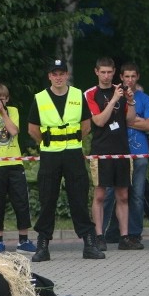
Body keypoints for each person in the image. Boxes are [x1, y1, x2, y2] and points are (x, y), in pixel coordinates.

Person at [28, 58, 102, 262]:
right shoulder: (40, 98)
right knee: (47, 199)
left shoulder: (78, 95)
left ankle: (89, 243)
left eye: (62, 73)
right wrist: (50, 140)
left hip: (73, 152)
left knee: (78, 197)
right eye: (55, 74)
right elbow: (32, 129)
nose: (58, 77)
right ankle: (43, 246)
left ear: (66, 75)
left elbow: (86, 125)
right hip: (50, 153)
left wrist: (71, 139)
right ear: (49, 76)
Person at [84, 57, 140, 252]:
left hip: (122, 150)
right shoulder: (91, 94)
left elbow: (130, 121)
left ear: (114, 72)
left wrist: (131, 101)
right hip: (101, 151)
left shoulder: (122, 90)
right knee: (100, 195)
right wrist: (115, 99)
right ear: (96, 72)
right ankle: (99, 235)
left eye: (110, 72)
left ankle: (124, 236)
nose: (107, 76)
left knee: (123, 195)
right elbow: (99, 120)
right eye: (103, 72)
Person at [0, 84, 36, 254]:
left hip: (14, 163)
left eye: (3, 99)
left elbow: (14, 131)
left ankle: (23, 240)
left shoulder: (13, 111)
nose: (0, 102)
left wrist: (3, 112)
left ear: (7, 99)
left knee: (21, 201)